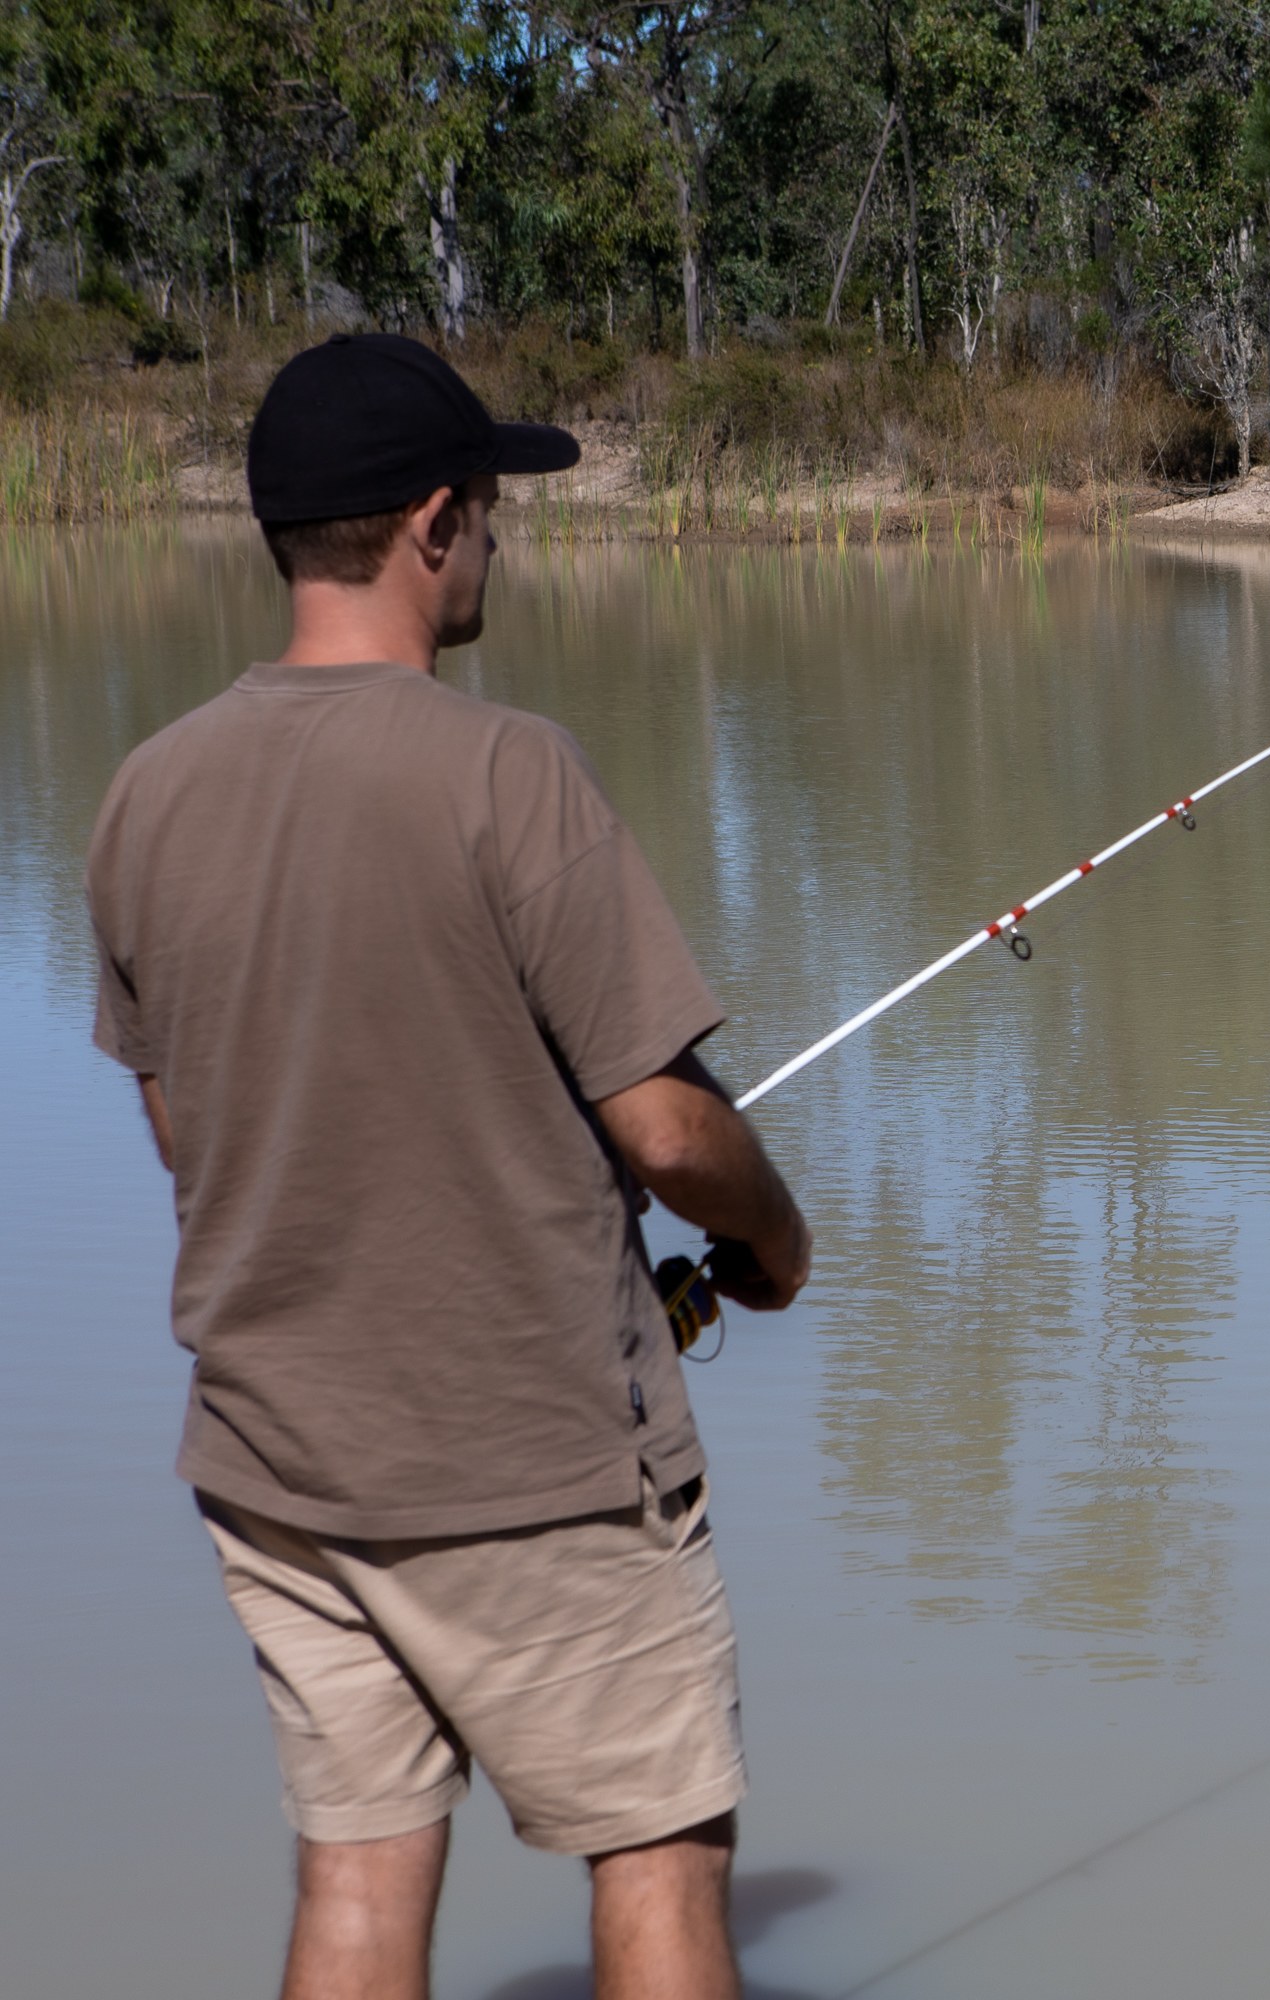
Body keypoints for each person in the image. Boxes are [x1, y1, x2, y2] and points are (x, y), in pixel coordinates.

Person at [84, 334, 812, 2000]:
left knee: (355, 1880)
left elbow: (190, 1143)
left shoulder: (142, 796)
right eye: (489, 505)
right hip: (538, 1466)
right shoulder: (509, 772)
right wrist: (778, 1242)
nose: (495, 537)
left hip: (279, 1467)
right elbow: (667, 1128)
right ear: (432, 522)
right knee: (660, 1858)